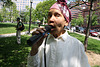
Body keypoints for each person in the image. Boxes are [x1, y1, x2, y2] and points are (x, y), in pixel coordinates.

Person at [27, 0, 90, 67]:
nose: (51, 19)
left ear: (66, 22)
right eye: (49, 15)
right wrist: (34, 49)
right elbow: (32, 65)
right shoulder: (41, 42)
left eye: (57, 15)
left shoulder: (77, 45)